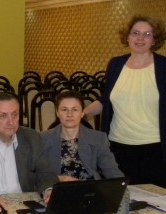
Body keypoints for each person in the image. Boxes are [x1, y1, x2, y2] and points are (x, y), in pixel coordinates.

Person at [84, 15, 166, 187]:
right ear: (127, 37)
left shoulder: (163, 66)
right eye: (135, 33)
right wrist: (83, 113)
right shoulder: (116, 64)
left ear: (154, 40)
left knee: (153, 199)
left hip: (154, 148)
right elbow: (106, 99)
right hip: (117, 147)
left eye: (147, 34)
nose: (140, 38)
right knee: (120, 197)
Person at [42, 90, 123, 182]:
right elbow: (35, 175)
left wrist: (122, 186)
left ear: (82, 113)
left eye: (75, 109)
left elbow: (111, 170)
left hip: (89, 188)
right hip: (57, 188)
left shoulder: (98, 138)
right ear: (57, 113)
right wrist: (58, 178)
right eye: (64, 110)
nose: (69, 114)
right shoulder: (42, 139)